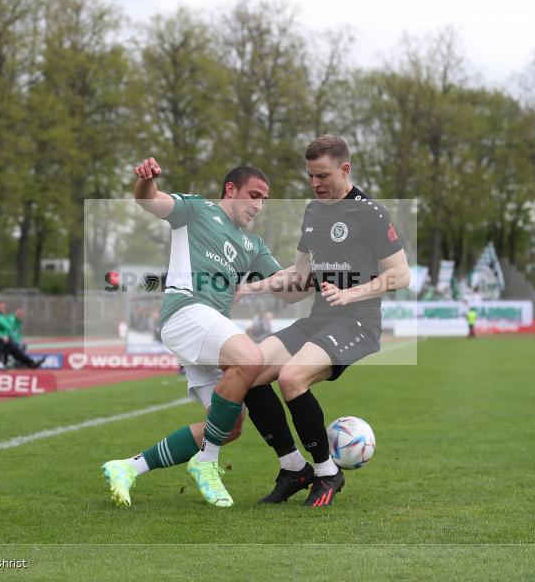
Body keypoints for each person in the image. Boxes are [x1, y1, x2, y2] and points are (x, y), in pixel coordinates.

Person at [236, 135, 411, 507]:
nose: (314, 183)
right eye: (310, 176)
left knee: (291, 378)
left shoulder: (371, 213)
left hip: (358, 322)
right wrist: (250, 288)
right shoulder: (313, 211)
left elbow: (401, 274)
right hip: (320, 318)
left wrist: (352, 293)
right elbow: (299, 276)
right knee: (247, 371)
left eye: (322, 175)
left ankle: (327, 473)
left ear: (345, 169)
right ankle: (293, 468)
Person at [101, 157, 281, 508]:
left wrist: (319, 270)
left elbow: (289, 284)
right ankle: (206, 461)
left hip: (210, 329)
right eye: (254, 195)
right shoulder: (197, 210)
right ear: (231, 189)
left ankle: (128, 468)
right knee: (250, 358)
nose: (259, 206)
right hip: (186, 312)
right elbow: (149, 200)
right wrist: (146, 180)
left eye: (264, 199)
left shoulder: (254, 246)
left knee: (230, 425)